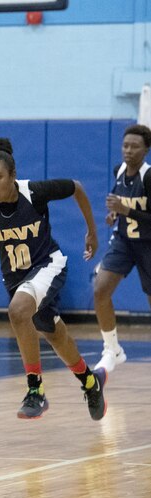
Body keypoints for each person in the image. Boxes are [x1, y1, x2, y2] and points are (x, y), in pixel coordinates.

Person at [0, 138, 106, 421]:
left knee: (18, 312)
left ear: (12, 176)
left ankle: (35, 390)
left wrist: (92, 231)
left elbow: (76, 187)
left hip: (48, 265)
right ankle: (91, 383)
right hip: (17, 280)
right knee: (55, 334)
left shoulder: (35, 192)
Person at [93, 124, 151, 372]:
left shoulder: (148, 177)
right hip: (124, 242)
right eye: (125, 145)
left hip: (148, 245)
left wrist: (126, 210)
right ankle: (112, 349)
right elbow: (120, 206)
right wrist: (114, 215)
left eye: (134, 146)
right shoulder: (119, 172)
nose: (128, 150)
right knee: (100, 289)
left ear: (146, 150)